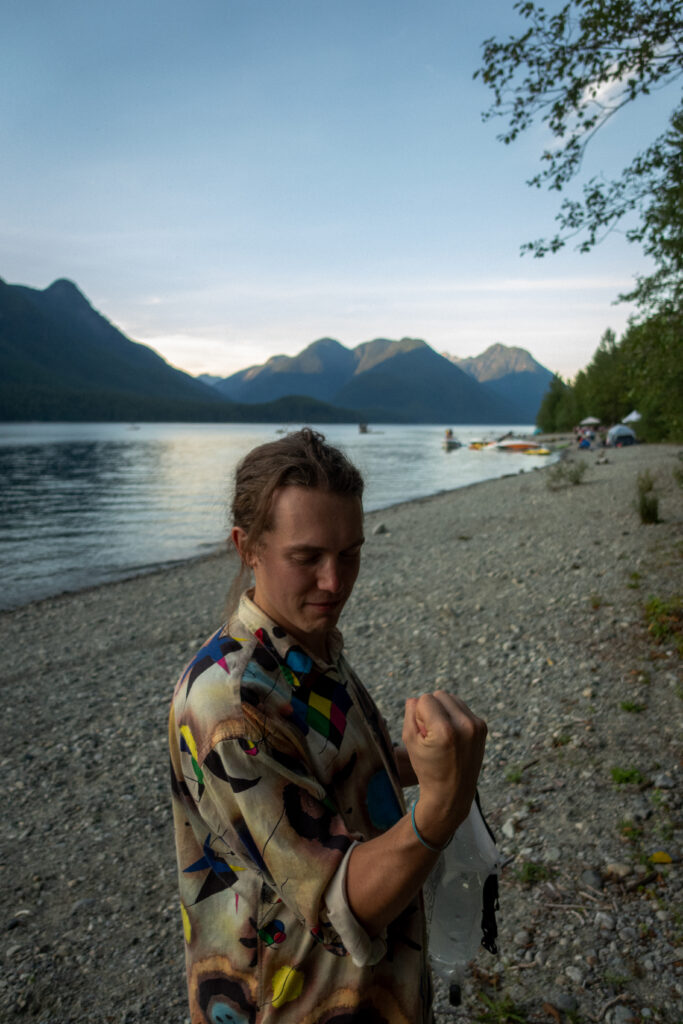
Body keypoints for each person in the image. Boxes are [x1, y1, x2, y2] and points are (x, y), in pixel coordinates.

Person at [169, 428, 487, 1023]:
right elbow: (340, 904)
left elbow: (318, 778)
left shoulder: (307, 644)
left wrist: (417, 762)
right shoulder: (230, 708)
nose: (335, 583)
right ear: (247, 548)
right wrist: (444, 805)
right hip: (300, 999)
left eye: (350, 553)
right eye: (307, 557)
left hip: (372, 989)